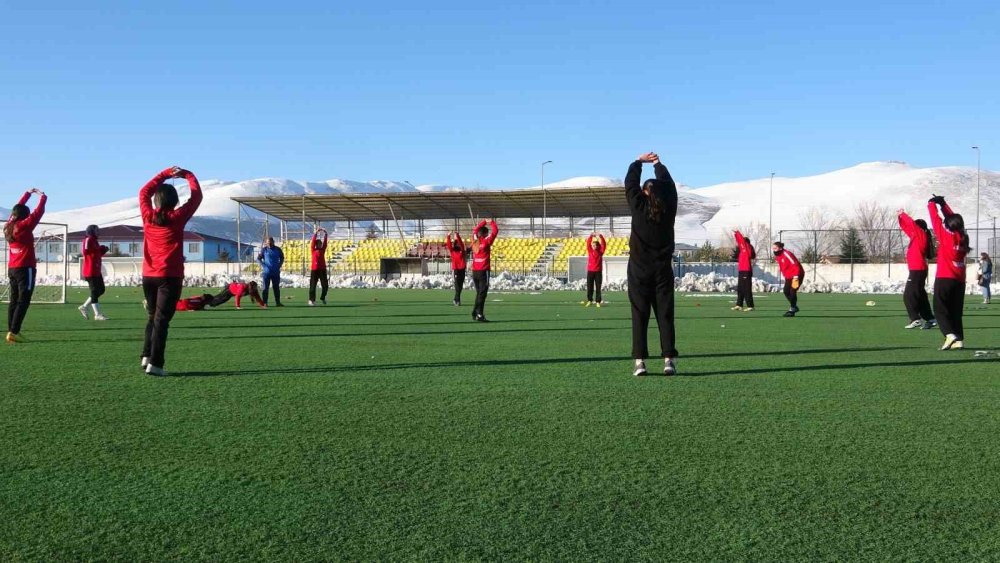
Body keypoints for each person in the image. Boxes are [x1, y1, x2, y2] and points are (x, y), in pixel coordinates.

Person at [139, 166, 203, 375]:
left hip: (148, 275)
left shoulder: (147, 216)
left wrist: (165, 174)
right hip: (170, 276)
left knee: (152, 316)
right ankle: (156, 364)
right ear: (174, 201)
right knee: (161, 320)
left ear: (156, 201)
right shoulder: (177, 217)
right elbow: (196, 197)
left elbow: (144, 192)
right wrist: (187, 175)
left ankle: (146, 356)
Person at [624, 152, 679, 376]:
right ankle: (668, 360)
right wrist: (658, 165)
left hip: (639, 271)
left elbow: (629, 183)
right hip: (663, 270)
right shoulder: (669, 210)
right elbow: (670, 186)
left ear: (645, 193)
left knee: (639, 315)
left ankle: (640, 362)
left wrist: (638, 162)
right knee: (665, 315)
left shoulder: (639, 207)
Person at [928, 195, 971, 350]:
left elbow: (935, 219)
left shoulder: (945, 237)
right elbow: (955, 221)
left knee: (939, 308)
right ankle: (958, 339)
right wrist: (944, 205)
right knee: (955, 310)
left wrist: (932, 204)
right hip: (959, 280)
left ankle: (949, 334)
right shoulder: (964, 237)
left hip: (945, 277)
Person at [5, 188, 47, 344]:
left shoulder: (9, 225)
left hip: (12, 268)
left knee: (14, 300)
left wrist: (27, 195)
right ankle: (14, 331)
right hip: (25, 268)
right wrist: (43, 197)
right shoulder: (24, 225)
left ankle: (12, 331)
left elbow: (17, 207)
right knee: (24, 300)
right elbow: (38, 212)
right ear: (24, 215)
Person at [897, 210, 936, 329]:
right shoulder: (916, 236)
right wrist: (900, 218)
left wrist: (903, 214)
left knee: (908, 295)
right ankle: (930, 318)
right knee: (920, 295)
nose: (911, 228)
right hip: (918, 270)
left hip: (917, 270)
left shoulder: (920, 234)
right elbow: (906, 227)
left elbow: (911, 224)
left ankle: (915, 319)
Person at [78, 224, 110, 321]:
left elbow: (96, 254)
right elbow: (85, 251)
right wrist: (98, 249)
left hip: (96, 271)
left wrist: (102, 250)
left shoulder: (95, 241)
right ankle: (97, 314)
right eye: (97, 230)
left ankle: (84, 306)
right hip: (90, 271)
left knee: (101, 290)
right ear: (92, 231)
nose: (98, 232)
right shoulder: (88, 239)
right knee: (95, 291)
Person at [470, 218, 498, 322]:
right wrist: (490, 222)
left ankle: (475, 312)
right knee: (483, 294)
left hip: (475, 271)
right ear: (485, 233)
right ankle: (479, 314)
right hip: (483, 271)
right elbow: (495, 231)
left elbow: (474, 231)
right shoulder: (486, 241)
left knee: (479, 293)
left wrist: (483, 222)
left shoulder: (474, 240)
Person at [177, 281, 264, 311]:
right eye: (254, 288)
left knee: (219, 299)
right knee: (219, 300)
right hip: (230, 289)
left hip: (233, 289)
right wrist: (238, 306)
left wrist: (262, 305)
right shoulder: (243, 287)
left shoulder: (253, 290)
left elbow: (258, 298)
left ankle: (207, 301)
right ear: (250, 286)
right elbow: (237, 296)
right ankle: (207, 302)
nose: (255, 289)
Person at [772, 241, 805, 317]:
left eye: (775, 248)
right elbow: (783, 266)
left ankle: (792, 309)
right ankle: (794, 306)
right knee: (786, 291)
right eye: (773, 248)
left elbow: (795, 264)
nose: (774, 250)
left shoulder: (787, 254)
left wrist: (796, 276)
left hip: (797, 275)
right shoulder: (778, 256)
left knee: (792, 291)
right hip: (789, 276)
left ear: (780, 248)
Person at [732, 230, 756, 311]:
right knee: (740, 288)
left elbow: (741, 240)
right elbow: (739, 241)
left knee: (746, 289)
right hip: (741, 270)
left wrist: (737, 233)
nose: (740, 244)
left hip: (746, 271)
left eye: (742, 242)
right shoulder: (743, 249)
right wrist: (736, 234)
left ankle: (750, 306)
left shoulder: (747, 248)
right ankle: (739, 304)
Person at [257, 237, 284, 306]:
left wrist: (279, 265)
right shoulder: (264, 250)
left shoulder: (278, 249)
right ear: (266, 243)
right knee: (265, 288)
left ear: (273, 242)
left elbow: (282, 257)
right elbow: (258, 259)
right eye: (267, 242)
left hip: (275, 272)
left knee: (276, 288)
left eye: (270, 242)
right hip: (266, 273)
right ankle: (265, 303)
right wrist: (264, 266)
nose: (269, 244)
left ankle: (278, 302)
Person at [581, 233, 606, 307]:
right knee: (589, 286)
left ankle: (598, 301)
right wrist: (591, 236)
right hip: (590, 271)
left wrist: (601, 236)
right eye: (592, 245)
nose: (593, 246)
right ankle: (590, 300)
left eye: (594, 245)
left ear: (597, 246)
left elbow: (604, 244)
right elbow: (588, 243)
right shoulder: (590, 251)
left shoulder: (600, 252)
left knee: (598, 287)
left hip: (598, 272)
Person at [308, 228, 329, 306]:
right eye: (318, 243)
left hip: (322, 270)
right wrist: (316, 233)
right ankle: (311, 300)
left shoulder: (322, 250)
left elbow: (325, 244)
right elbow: (313, 242)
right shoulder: (313, 250)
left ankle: (323, 297)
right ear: (316, 245)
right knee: (313, 286)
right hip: (314, 270)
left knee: (325, 286)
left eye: (320, 243)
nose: (320, 244)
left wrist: (325, 234)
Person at [446, 231, 467, 306]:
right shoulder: (452, 251)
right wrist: (448, 236)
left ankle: (456, 299)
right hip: (456, 270)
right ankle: (457, 300)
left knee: (460, 286)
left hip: (462, 269)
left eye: (457, 243)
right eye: (456, 243)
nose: (457, 244)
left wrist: (457, 236)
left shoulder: (462, 251)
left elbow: (461, 243)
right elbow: (448, 245)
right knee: (457, 285)